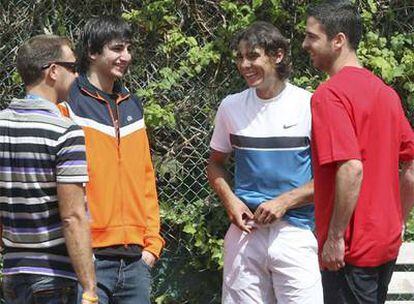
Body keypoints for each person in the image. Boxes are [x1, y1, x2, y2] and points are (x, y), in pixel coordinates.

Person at [302, 1, 414, 303]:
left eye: (312, 37)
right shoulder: (386, 93)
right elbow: (412, 164)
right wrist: (399, 219)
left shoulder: (329, 95)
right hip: (385, 243)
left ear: (338, 40)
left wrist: (336, 237)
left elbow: (351, 167)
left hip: (350, 251)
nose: (305, 44)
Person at [207, 21, 323, 303]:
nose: (244, 64)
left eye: (253, 56)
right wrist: (231, 202)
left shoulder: (310, 105)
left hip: (296, 232)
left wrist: (284, 202)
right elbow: (215, 164)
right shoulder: (230, 106)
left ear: (278, 55)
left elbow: (330, 177)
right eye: (239, 57)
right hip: (245, 234)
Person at [58, 16, 164, 304]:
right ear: (93, 52)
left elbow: (145, 176)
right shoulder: (68, 103)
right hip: (88, 258)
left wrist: (151, 247)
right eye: (117, 49)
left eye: (128, 48)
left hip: (136, 262)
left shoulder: (133, 104)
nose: (126, 56)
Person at [0, 35, 97, 303]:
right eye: (72, 67)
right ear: (53, 71)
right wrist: (89, 287)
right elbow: (72, 217)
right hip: (53, 276)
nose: (77, 75)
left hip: (12, 273)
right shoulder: (65, 132)